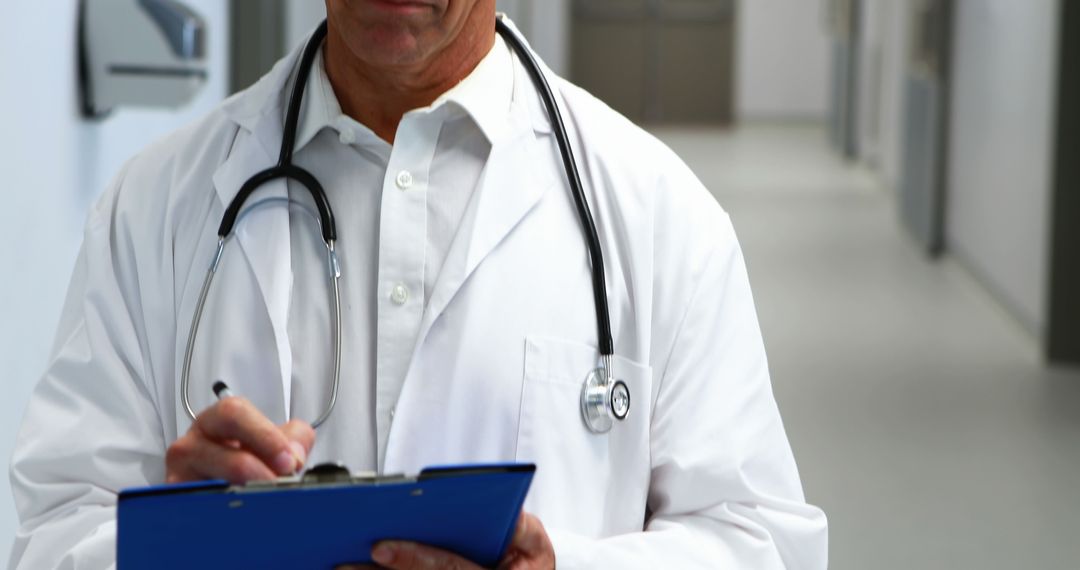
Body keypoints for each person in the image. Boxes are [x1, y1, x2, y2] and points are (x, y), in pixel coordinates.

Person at [9, 1, 828, 568]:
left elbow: (761, 544)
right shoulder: (157, 203)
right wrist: (179, 547)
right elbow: (51, 533)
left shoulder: (659, 215)